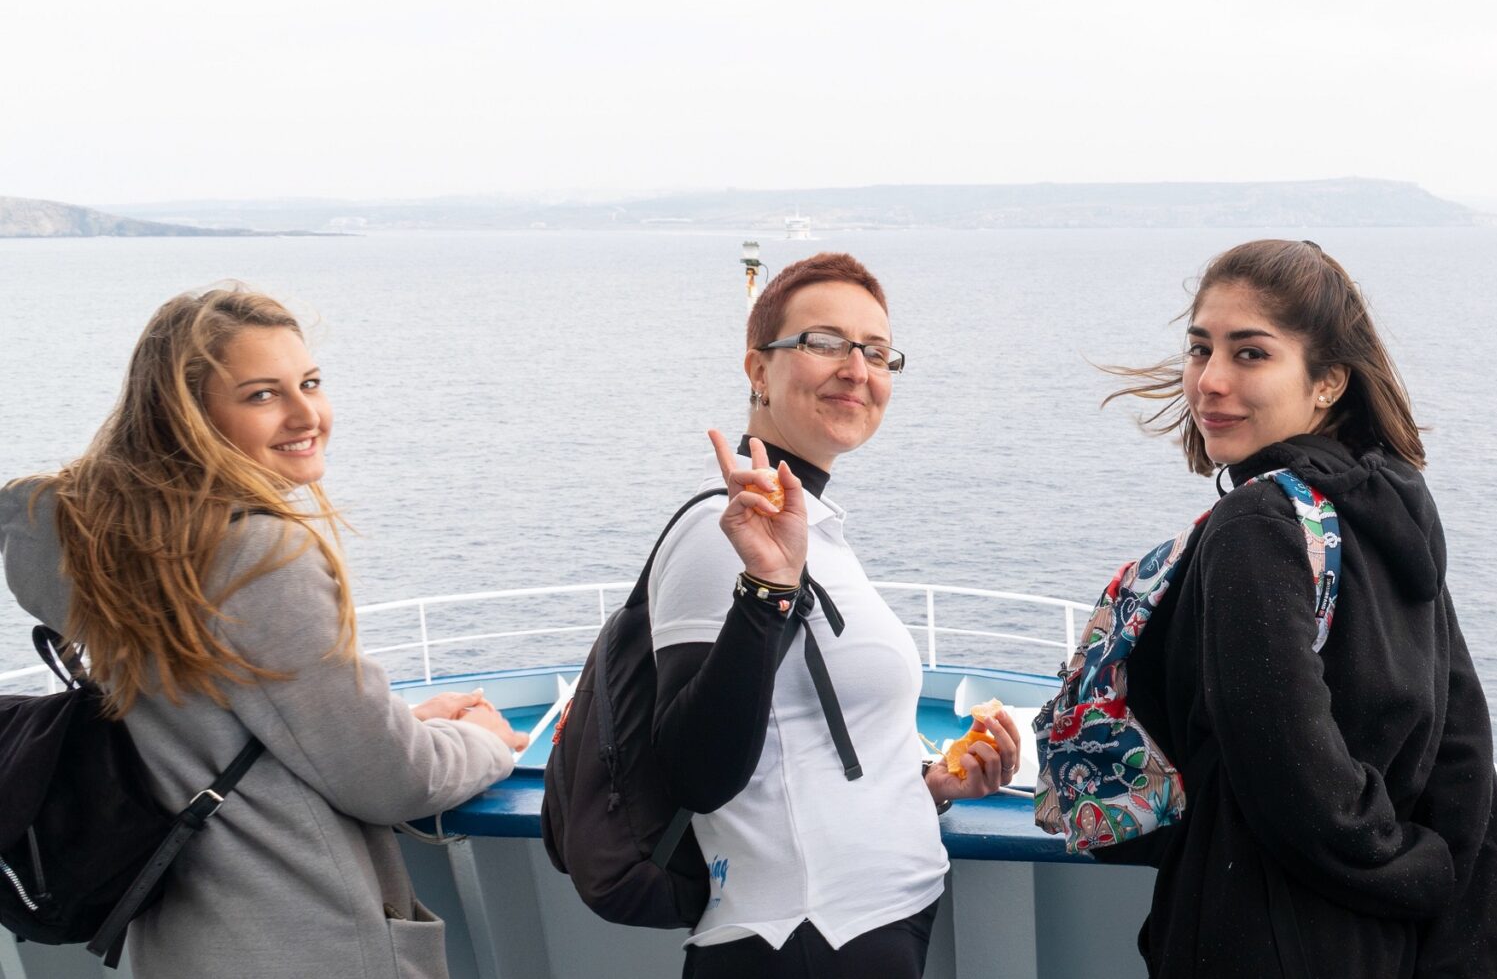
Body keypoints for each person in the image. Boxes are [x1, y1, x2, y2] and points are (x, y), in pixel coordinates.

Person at [0, 285, 526, 979]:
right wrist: (481, 742)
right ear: (188, 416)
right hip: (311, 940)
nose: (307, 413)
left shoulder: (110, 548)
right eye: (261, 395)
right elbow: (391, 780)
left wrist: (402, 721)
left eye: (309, 382)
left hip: (183, 943)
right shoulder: (257, 554)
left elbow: (227, 720)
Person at [1091, 238, 1497, 979]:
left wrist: (1409, 864)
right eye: (1199, 348)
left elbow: (1293, 779)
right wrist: (1438, 883)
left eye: (1250, 353)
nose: (1209, 381)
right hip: (1381, 943)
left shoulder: (1258, 526)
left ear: (1327, 383)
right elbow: (1463, 747)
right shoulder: (1394, 510)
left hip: (1259, 934)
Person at [648, 251, 1020, 979]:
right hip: (800, 942)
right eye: (824, 342)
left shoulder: (811, 524)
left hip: (866, 929)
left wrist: (932, 780)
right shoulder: (718, 531)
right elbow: (695, 771)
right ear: (758, 368)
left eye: (876, 351)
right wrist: (765, 587)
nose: (857, 368)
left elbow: (801, 752)